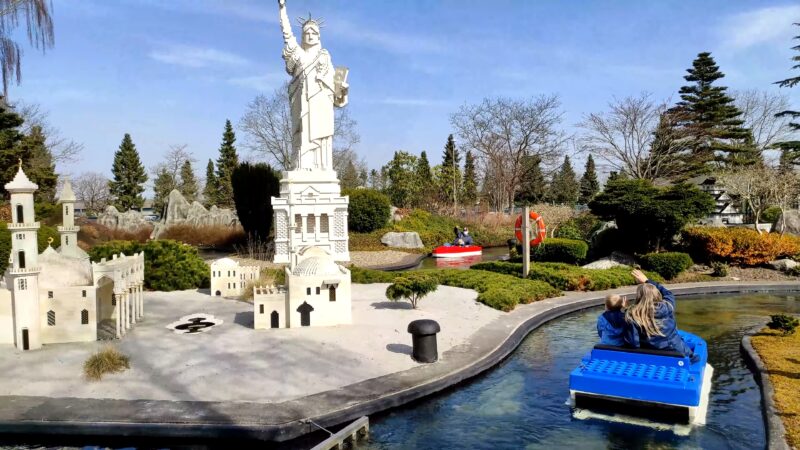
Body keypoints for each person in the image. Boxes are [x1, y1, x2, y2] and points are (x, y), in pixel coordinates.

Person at [624, 269, 696, 361]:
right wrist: (647, 280)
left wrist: (625, 309)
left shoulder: (632, 315)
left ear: (639, 297)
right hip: (677, 352)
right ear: (657, 294)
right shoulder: (668, 306)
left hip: (652, 356)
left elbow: (633, 343)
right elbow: (668, 293)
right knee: (694, 358)